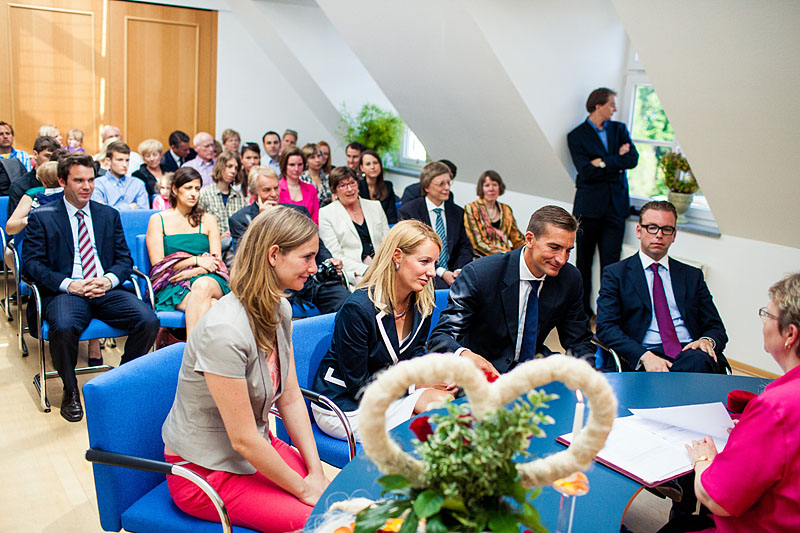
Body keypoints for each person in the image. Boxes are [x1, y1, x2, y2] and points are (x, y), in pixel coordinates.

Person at [161, 206, 330, 532]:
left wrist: (317, 471)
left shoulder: (279, 308)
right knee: (324, 521)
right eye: (306, 257)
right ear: (274, 255)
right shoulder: (226, 330)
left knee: (336, 500)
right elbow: (243, 440)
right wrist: (304, 488)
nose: (313, 267)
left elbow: (291, 398)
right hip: (204, 473)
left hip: (253, 450)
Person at [22, 153, 159, 422]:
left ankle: (121, 380)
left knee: (148, 320)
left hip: (105, 288)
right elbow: (32, 266)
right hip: (67, 291)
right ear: (62, 181)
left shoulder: (107, 214)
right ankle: (70, 389)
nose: (87, 186)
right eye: (78, 180)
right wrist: (70, 284)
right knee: (62, 328)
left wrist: (108, 280)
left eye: (91, 180)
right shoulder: (43, 217)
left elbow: (124, 260)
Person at [678, 273, 800, 533]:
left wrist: (703, 460)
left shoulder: (775, 407)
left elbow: (716, 498)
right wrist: (752, 434)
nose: (764, 322)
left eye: (768, 315)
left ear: (790, 334)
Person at [312, 220, 454, 440]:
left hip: (387, 391)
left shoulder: (423, 298)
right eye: (424, 262)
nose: (433, 272)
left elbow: (414, 353)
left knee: (444, 401)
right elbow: (359, 386)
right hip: (344, 403)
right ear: (397, 256)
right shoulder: (357, 309)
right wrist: (417, 384)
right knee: (433, 417)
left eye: (434, 263)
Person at [428, 205, 595, 377]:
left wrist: (587, 378)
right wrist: (465, 356)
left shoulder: (569, 278)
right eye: (554, 247)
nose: (562, 259)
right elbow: (441, 337)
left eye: (568, 251)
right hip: (483, 373)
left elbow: (579, 341)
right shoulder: (481, 274)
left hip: (532, 371)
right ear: (529, 239)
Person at [595, 201, 728, 373]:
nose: (659, 235)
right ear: (639, 231)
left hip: (690, 353)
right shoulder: (616, 274)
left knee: (697, 360)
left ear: (674, 235)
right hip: (644, 355)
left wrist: (706, 340)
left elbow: (716, 327)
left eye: (666, 229)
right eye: (652, 227)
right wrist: (645, 355)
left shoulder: (692, 276)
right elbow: (606, 327)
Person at [229, 167, 348, 314]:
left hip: (309, 280)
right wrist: (264, 221)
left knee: (345, 302)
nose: (273, 194)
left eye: (275, 188)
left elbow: (318, 246)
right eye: (267, 190)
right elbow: (248, 259)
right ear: (254, 194)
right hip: (272, 283)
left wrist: (329, 260)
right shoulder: (241, 219)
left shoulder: (297, 211)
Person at [568, 87, 639, 318]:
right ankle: (582, 312)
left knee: (612, 265)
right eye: (611, 104)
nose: (615, 109)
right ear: (598, 106)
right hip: (588, 210)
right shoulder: (576, 135)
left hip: (615, 208)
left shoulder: (620, 130)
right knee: (583, 263)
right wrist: (615, 164)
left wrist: (602, 163)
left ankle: (607, 314)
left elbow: (632, 159)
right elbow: (585, 171)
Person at [145, 167, 230, 335]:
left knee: (202, 284)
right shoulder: (158, 220)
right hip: (173, 281)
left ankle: (190, 356)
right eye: (188, 188)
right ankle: (209, 355)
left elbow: (217, 261)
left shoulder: (208, 220)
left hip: (210, 277)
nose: (194, 194)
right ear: (175, 190)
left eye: (197, 189)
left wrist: (195, 271)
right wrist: (195, 260)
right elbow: (159, 265)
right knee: (212, 306)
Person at [399, 161, 473, 289]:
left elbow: (464, 247)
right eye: (441, 184)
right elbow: (412, 250)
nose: (447, 188)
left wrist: (459, 270)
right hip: (424, 274)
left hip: (454, 274)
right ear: (427, 187)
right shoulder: (409, 211)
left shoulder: (457, 212)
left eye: (449, 183)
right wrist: (442, 272)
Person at [319, 167, 389, 287]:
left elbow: (388, 242)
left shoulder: (375, 206)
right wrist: (367, 270)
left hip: (382, 267)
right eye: (343, 185)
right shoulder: (326, 214)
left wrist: (382, 267)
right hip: (354, 273)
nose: (350, 189)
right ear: (334, 191)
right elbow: (336, 255)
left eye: (352, 183)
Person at [198, 151, 246, 265]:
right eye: (229, 166)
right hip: (211, 245)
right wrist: (218, 236)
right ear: (220, 166)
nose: (233, 171)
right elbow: (198, 226)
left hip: (234, 244)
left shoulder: (239, 197)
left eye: (236, 168)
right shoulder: (205, 194)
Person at [463, 170, 525, 257]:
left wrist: (528, 250)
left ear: (500, 187)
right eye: (487, 185)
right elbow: (477, 242)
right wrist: (506, 254)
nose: (491, 189)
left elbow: (517, 238)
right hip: (482, 259)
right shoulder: (471, 208)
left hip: (506, 257)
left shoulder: (506, 209)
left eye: (495, 185)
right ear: (481, 188)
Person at [8, 137, 61, 217]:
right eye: (47, 156)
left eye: (55, 157)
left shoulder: (65, 183)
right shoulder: (20, 185)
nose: (52, 161)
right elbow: (14, 223)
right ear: (35, 154)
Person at [6, 161, 63, 235]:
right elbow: (10, 228)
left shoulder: (69, 194)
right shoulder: (33, 194)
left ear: (42, 181)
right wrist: (31, 219)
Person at [92, 141, 149, 210]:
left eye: (127, 160)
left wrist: (110, 208)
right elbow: (101, 212)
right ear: (108, 161)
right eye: (120, 160)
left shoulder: (138, 184)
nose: (125, 165)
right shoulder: (98, 184)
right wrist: (129, 207)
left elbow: (143, 213)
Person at [278, 147, 319, 224]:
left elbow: (316, 219)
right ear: (284, 165)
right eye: (292, 165)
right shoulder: (276, 189)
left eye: (300, 164)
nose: (296, 169)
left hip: (308, 232)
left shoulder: (311, 189)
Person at [358, 149, 398, 224]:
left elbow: (391, 217)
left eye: (375, 163)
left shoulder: (388, 186)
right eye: (368, 164)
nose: (373, 167)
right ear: (361, 168)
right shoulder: (357, 187)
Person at [132, 138, 167, 205]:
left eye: (155, 155)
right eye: (147, 156)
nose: (152, 159)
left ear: (161, 155)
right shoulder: (138, 175)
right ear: (143, 158)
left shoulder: (168, 171)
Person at [300, 143, 332, 207]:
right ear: (306, 161)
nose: (317, 160)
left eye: (319, 156)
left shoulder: (328, 178)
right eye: (312, 157)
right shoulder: (302, 179)